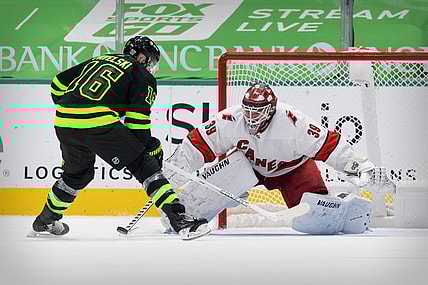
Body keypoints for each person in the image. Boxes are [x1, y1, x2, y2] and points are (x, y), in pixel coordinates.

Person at [29, 36, 210, 240]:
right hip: (97, 121)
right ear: (142, 57)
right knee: (144, 165)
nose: (151, 67)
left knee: (77, 174)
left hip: (64, 121)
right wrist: (152, 149)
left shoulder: (99, 59)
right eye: (151, 61)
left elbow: (57, 83)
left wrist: (73, 105)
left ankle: (46, 219)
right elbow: (137, 124)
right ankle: (180, 220)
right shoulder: (142, 75)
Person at [163, 81, 394, 234]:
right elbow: (198, 143)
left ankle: (342, 207)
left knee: (316, 220)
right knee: (221, 175)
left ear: (272, 108)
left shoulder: (295, 123)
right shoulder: (230, 120)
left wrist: (362, 168)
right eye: (248, 109)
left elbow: (330, 146)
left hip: (292, 169)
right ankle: (182, 216)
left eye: (258, 110)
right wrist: (171, 173)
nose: (251, 116)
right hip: (247, 166)